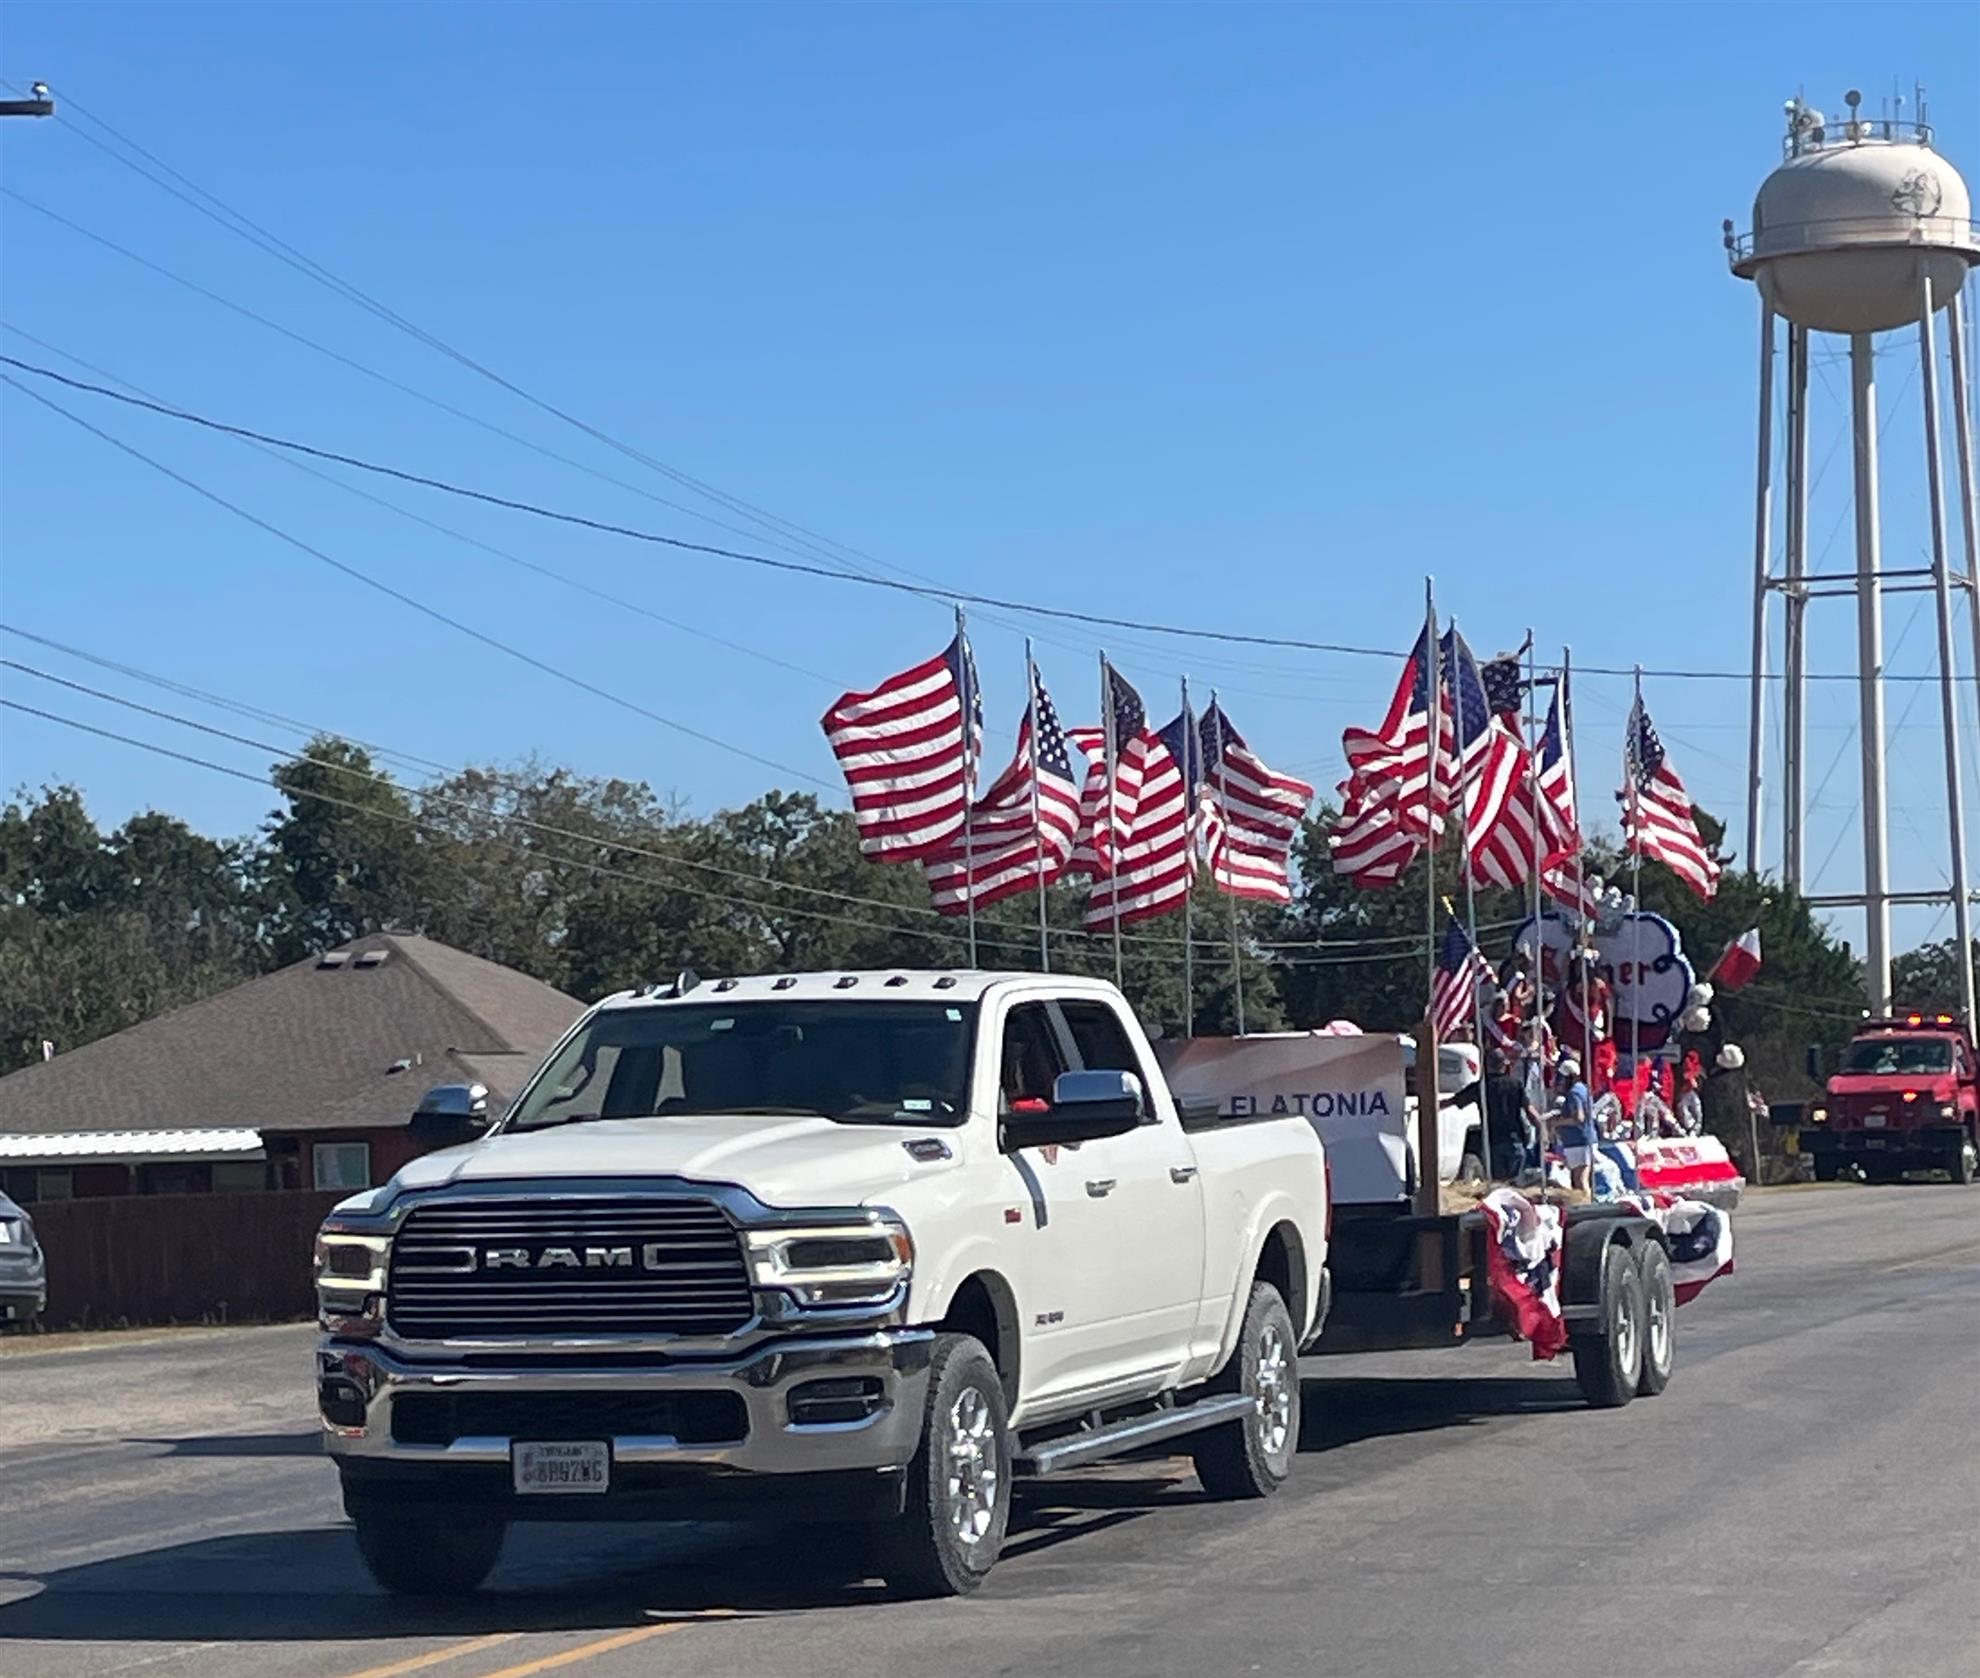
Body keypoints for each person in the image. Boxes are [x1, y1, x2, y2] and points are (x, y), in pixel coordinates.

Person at [1451, 1049, 1540, 1180]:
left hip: (1492, 1141)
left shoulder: (1481, 1087)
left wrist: (1429, 1107)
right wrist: (1541, 1128)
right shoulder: (1515, 1084)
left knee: (1497, 1183)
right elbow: (1529, 1111)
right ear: (1504, 1064)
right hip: (1514, 1140)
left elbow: (1454, 1101)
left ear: (1487, 1064)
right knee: (1515, 1182)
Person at [1550, 1055, 1597, 1194]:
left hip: (1579, 1141)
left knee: (1580, 1180)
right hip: (1581, 1141)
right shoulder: (1583, 1089)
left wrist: (1556, 1122)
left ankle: (1585, 1204)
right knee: (1577, 1180)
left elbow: (1578, 1118)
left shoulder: (1574, 1093)